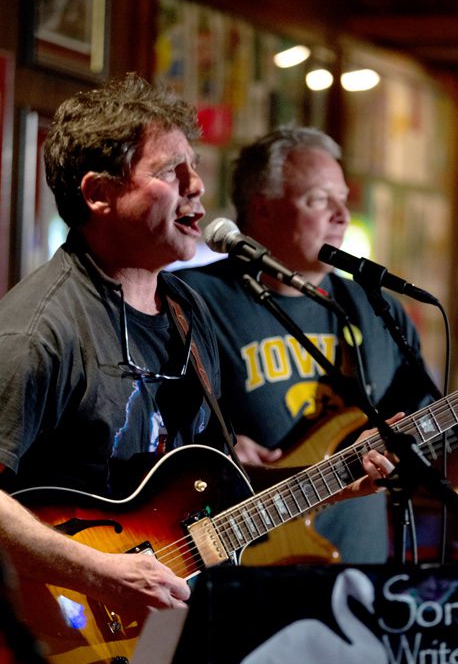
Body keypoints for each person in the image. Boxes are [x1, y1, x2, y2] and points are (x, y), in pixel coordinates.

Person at [0, 79, 394, 620]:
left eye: (194, 166)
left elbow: (215, 491)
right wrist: (99, 572)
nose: (196, 187)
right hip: (66, 635)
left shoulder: (186, 309)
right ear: (98, 194)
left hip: (169, 626)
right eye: (169, 171)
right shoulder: (39, 331)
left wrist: (334, 481)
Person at [177, 125, 432, 564]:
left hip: (356, 577)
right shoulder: (191, 300)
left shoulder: (376, 310)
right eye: (318, 200)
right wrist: (213, 451)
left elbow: (434, 444)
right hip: (240, 565)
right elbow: (142, 435)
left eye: (343, 199)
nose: (342, 215)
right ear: (263, 210)